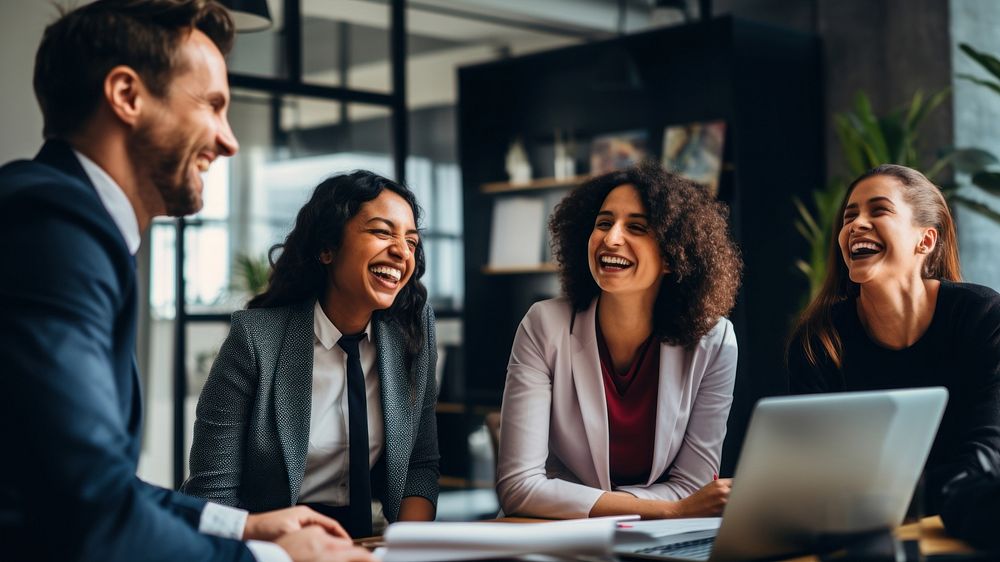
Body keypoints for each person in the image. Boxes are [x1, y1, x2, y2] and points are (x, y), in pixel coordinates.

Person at [0, 1, 375, 561]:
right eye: (213, 106)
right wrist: (279, 559)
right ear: (127, 95)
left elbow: (100, 482)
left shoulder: (62, 217)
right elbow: (88, 508)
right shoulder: (54, 226)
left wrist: (245, 527)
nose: (229, 141)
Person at [183, 171, 440, 537]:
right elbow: (213, 494)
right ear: (326, 248)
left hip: (368, 542)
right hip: (269, 545)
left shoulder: (412, 330)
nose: (402, 251)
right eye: (382, 232)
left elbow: (419, 463)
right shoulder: (255, 340)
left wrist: (410, 548)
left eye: (411, 241)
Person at [496, 162, 742, 519]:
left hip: (648, 537)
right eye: (604, 223)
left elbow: (693, 485)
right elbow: (519, 487)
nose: (611, 239)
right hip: (552, 538)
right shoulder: (544, 325)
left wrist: (586, 501)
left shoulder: (715, 340)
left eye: (637, 227)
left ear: (674, 255)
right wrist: (668, 509)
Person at [786, 164, 1000, 514]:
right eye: (848, 216)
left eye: (879, 209)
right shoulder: (819, 340)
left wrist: (891, 501)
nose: (855, 224)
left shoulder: (983, 317)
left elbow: (989, 454)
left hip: (963, 522)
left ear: (926, 240)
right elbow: (817, 475)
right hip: (858, 533)